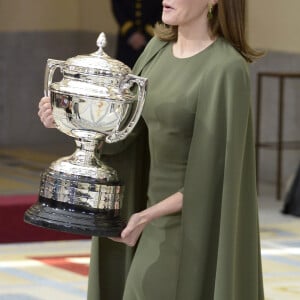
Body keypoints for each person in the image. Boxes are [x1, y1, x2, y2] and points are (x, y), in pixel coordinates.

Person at [38, 0, 265, 299]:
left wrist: (146, 217)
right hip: (146, 215)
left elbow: (216, 177)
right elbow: (127, 135)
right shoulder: (157, 49)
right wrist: (72, 123)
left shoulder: (226, 68)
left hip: (192, 226)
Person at [111, 0, 162, 68]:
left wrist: (148, 34)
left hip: (150, 39)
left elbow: (161, 10)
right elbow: (118, 8)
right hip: (126, 40)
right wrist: (131, 32)